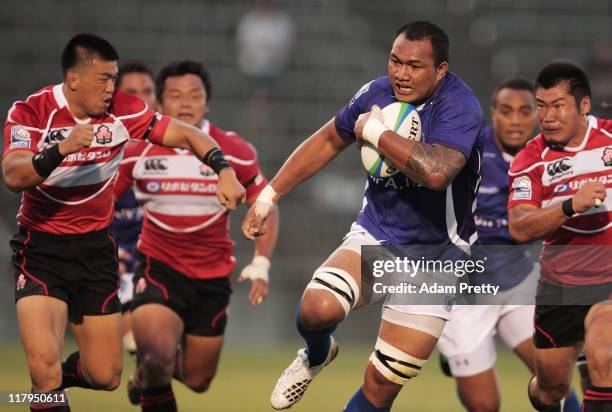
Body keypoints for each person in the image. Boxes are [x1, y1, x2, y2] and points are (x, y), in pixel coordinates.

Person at [243, 21, 484, 411]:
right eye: (395, 61)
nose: (401, 74)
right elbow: (327, 139)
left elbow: (438, 172)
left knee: (378, 388)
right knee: (316, 309)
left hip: (437, 258)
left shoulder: (460, 105)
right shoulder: (376, 93)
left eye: (415, 66)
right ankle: (317, 354)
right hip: (377, 237)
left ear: (441, 69)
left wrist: (377, 134)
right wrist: (270, 195)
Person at [2, 33, 245, 412]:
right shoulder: (31, 112)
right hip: (42, 249)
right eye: (105, 79)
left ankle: (40, 391)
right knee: (44, 369)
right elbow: (14, 175)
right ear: (74, 79)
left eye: (114, 78)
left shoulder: (123, 109)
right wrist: (61, 148)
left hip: (96, 251)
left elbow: (184, 133)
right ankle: (44, 390)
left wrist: (223, 168)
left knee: (106, 376)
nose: (112, 87)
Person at [113, 60, 279, 412]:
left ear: (207, 102)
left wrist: (261, 262)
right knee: (159, 359)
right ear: (159, 103)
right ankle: (151, 365)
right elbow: (102, 204)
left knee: (198, 380)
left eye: (195, 95)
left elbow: (266, 203)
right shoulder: (137, 151)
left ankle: (146, 372)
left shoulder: (235, 150)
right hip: (158, 268)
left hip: (212, 277)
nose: (185, 103)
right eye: (175, 95)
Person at [436, 78, 580, 411]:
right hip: (465, 295)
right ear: (493, 114)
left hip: (518, 282)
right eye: (506, 111)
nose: (515, 120)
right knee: (485, 406)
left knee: (556, 381)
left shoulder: (550, 158)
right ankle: (458, 359)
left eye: (524, 111)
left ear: (536, 115)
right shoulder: (467, 153)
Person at [508, 61, 612, 412]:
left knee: (604, 357)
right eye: (541, 105)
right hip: (561, 285)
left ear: (584, 106)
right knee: (551, 391)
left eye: (558, 105)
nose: (547, 116)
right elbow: (520, 227)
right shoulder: (530, 159)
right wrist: (569, 206)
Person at [110, 61, 157, 356]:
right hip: (108, 262)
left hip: (157, 261)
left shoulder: (175, 146)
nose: (141, 99)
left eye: (148, 91)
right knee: (106, 369)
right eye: (131, 92)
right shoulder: (98, 148)